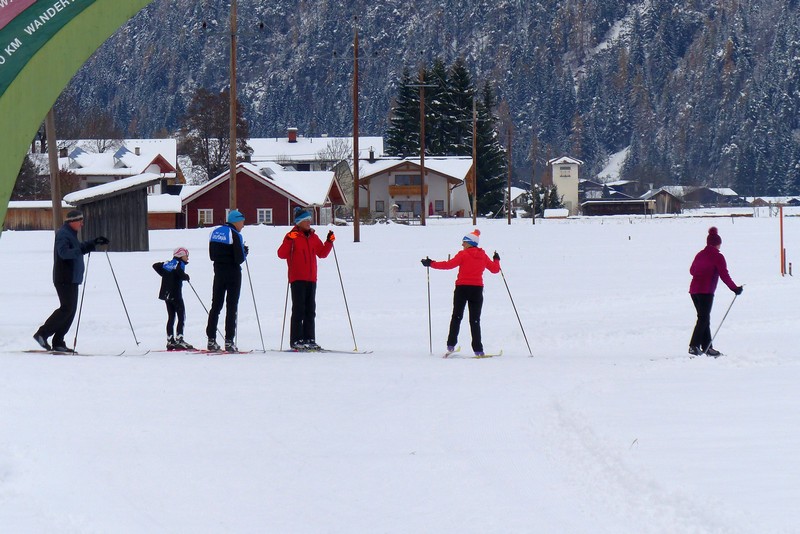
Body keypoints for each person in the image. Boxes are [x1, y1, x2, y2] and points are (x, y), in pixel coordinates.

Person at [33, 210, 109, 352]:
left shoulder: (70, 234)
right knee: (66, 308)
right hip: (64, 277)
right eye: (80, 221)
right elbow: (64, 253)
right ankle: (42, 334)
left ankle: (58, 342)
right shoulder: (63, 234)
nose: (82, 224)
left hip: (72, 278)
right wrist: (85, 248)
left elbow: (77, 248)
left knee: (70, 310)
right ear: (72, 221)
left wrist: (93, 242)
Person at [421, 229, 500, 356]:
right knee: (475, 320)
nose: (462, 244)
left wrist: (431, 264)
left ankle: (451, 345)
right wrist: (496, 259)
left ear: (470, 243)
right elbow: (495, 270)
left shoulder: (463, 255)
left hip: (462, 289)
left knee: (457, 316)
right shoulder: (483, 256)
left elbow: (448, 265)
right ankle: (478, 349)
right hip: (477, 290)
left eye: (464, 242)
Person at [277, 206, 334, 351]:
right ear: (299, 222)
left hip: (311, 278)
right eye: (306, 220)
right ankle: (296, 340)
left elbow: (321, 253)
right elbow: (281, 254)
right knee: (299, 309)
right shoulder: (292, 236)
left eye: (309, 219)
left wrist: (329, 242)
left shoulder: (313, 237)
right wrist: (289, 239)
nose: (309, 222)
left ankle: (310, 338)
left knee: (310, 310)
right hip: (297, 278)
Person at [689, 226, 743, 356]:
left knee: (704, 318)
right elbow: (724, 275)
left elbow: (692, 271)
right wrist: (735, 288)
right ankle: (693, 346)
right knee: (703, 319)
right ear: (717, 244)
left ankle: (707, 347)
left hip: (694, 291)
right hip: (706, 292)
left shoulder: (699, 254)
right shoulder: (718, 257)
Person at [206, 210, 248, 352]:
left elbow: (212, 255)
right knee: (231, 306)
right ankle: (229, 341)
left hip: (218, 272)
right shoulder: (235, 234)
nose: (243, 225)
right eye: (242, 222)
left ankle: (211, 339)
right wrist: (244, 251)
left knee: (216, 306)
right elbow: (239, 258)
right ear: (236, 221)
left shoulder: (215, 232)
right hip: (233, 273)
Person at [153, 247, 194, 351]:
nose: (188, 257)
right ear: (180, 255)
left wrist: (164, 273)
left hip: (166, 294)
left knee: (171, 316)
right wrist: (186, 276)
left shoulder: (168, 264)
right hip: (176, 294)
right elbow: (180, 274)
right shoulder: (178, 264)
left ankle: (170, 340)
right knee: (181, 315)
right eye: (186, 255)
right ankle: (180, 339)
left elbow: (156, 265)